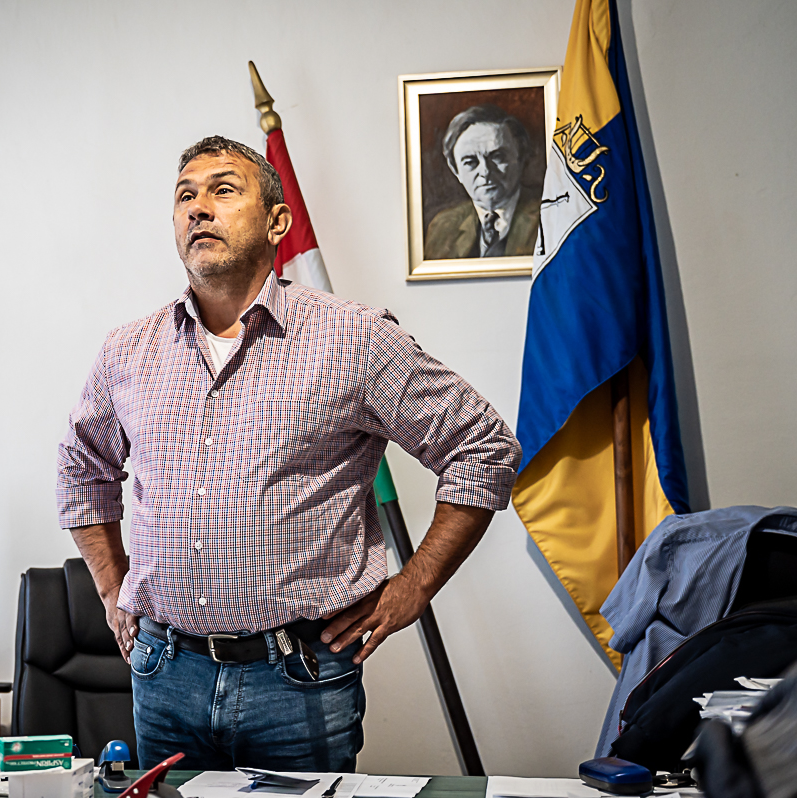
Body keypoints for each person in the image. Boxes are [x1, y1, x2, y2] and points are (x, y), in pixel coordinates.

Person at [57, 135, 521, 771]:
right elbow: (83, 470)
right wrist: (113, 589)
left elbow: (482, 445)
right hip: (164, 676)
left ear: (278, 222)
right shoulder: (129, 350)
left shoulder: (352, 337)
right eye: (185, 196)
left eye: (223, 190)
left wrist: (417, 584)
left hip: (298, 679)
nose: (198, 208)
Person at [424, 104, 540, 260]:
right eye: (470, 162)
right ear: (456, 170)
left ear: (520, 158)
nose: (485, 171)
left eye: (497, 157)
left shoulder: (549, 215)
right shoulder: (442, 226)